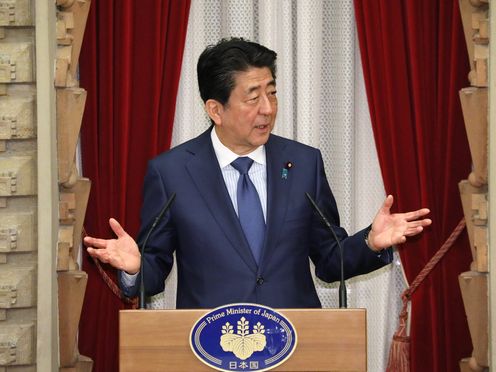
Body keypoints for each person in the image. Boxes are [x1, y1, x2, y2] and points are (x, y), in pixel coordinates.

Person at [84, 37, 431, 309]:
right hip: (212, 349)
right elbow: (154, 272)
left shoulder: (303, 164)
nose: (268, 109)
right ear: (215, 110)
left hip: (295, 345)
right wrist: (134, 268)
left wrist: (370, 242)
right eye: (253, 98)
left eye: (272, 93)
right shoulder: (172, 173)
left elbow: (330, 260)